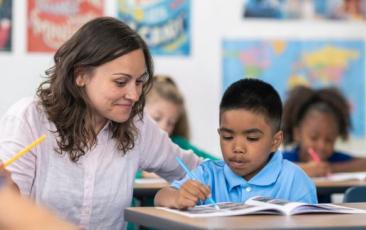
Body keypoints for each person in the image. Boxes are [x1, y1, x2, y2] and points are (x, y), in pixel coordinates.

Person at [0, 17, 201, 229]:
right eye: (120, 82)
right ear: (81, 76)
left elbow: (196, 171)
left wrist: (171, 193)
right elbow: (9, 212)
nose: (134, 95)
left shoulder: (137, 125)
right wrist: (7, 188)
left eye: (140, 82)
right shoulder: (29, 119)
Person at [154, 79, 317, 210]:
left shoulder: (295, 181)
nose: (237, 148)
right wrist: (177, 196)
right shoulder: (208, 174)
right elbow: (161, 197)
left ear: (275, 141)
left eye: (252, 138)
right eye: (227, 136)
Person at [136, 75, 217, 180]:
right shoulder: (128, 145)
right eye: (156, 118)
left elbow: (218, 165)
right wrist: (143, 174)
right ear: (137, 112)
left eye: (171, 123)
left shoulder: (177, 144)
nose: (163, 127)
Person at [282, 85, 366, 177]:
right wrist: (304, 170)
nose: (321, 146)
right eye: (314, 138)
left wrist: (331, 168)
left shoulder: (334, 159)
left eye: (329, 140)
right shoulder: (287, 158)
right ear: (297, 134)